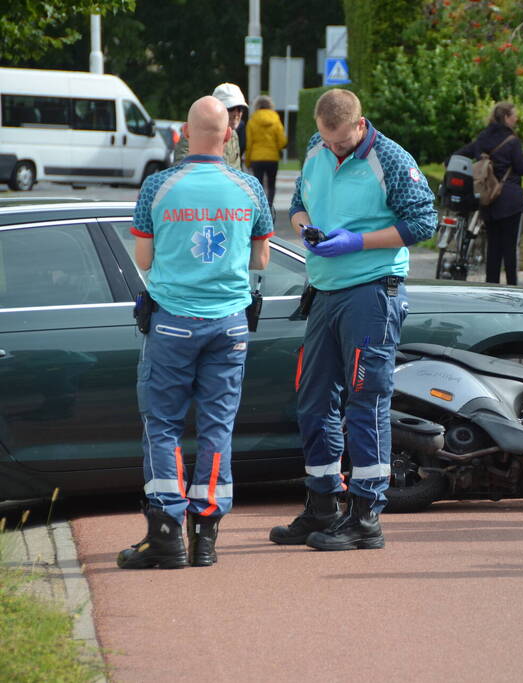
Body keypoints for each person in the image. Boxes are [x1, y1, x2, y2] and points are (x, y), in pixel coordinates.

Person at [269, 89, 436, 551]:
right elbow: (298, 201)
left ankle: (366, 517)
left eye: (341, 142)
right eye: (327, 141)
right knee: (315, 400)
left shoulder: (391, 159)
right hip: (324, 290)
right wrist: (304, 227)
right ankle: (322, 504)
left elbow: (424, 222)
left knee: (366, 403)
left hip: (371, 291)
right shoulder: (316, 149)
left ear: (359, 126)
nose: (334, 149)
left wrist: (357, 242)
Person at [117, 95, 273, 570]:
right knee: (216, 429)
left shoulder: (159, 187)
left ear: (182, 135)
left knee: (162, 426)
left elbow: (142, 260)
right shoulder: (249, 189)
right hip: (229, 325)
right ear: (229, 136)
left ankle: (165, 535)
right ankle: (205, 537)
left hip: (173, 324)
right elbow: (260, 259)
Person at [455, 101, 523, 285]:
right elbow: (522, 168)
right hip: (510, 200)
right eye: (514, 115)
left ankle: (491, 286)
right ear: (506, 117)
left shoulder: (483, 138)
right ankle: (512, 288)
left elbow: (464, 153)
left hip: (488, 199)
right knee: (509, 248)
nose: (516, 118)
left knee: (493, 248)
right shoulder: (512, 141)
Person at [174, 82, 247, 169]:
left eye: (240, 109)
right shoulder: (194, 133)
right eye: (230, 108)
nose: (236, 114)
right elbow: (180, 169)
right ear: (214, 108)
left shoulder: (233, 135)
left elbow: (236, 169)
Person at [246, 95, 288, 208]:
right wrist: (277, 148)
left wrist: (248, 161)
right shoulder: (275, 119)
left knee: (258, 185)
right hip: (272, 158)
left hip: (256, 158)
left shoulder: (252, 120)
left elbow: (249, 144)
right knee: (271, 184)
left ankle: (260, 207)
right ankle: (269, 207)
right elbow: (282, 141)